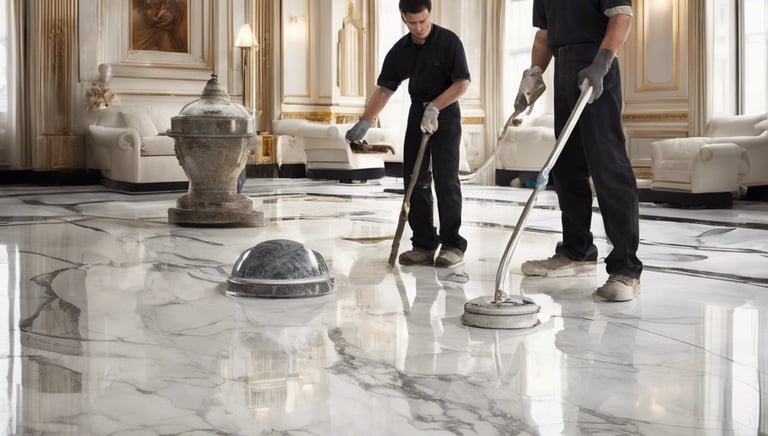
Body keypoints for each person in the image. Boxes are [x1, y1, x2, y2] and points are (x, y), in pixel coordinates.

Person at [516, 0, 643, 302]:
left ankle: (626, 269)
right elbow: (544, 35)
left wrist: (602, 63)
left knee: (608, 166)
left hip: (596, 64)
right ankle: (577, 252)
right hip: (564, 65)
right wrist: (533, 73)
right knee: (567, 165)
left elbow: (621, 17)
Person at [345, 0, 470, 268]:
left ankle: (452, 245)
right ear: (403, 18)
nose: (420, 27)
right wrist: (366, 121)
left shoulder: (449, 42)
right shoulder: (401, 50)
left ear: (429, 14)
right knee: (414, 179)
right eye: (413, 23)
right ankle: (424, 244)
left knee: (446, 178)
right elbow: (385, 89)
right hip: (417, 113)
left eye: (423, 21)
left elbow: (462, 83)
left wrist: (435, 107)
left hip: (445, 112)